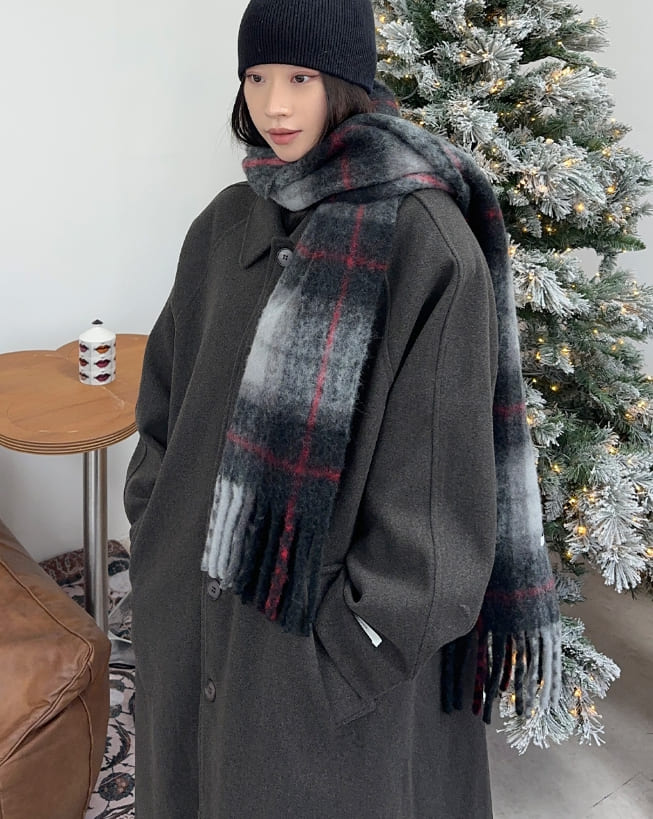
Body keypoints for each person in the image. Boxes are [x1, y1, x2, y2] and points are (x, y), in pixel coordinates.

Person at [124, 1, 561, 816]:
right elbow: (161, 412)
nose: (274, 105)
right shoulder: (222, 227)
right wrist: (157, 538)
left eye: (300, 78)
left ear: (347, 82)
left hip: (323, 691)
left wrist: (342, 658)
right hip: (189, 631)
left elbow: (437, 527)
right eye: (256, 77)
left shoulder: (426, 247)